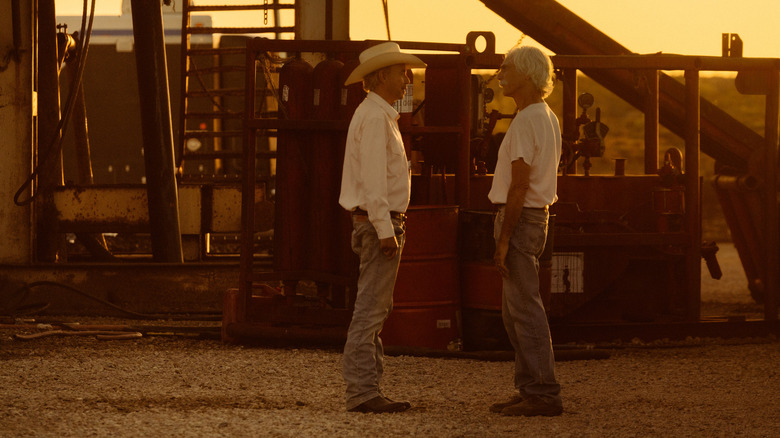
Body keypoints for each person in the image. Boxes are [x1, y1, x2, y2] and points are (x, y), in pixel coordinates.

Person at [339, 42, 425, 414]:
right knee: (371, 311)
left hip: (376, 220)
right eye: (400, 72)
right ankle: (362, 391)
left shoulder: (375, 114)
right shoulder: (376, 118)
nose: (407, 79)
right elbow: (374, 181)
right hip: (380, 223)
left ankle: (367, 387)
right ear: (381, 77)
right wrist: (385, 230)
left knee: (374, 307)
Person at [487, 45, 563, 417]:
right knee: (515, 311)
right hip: (534, 218)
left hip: (520, 219)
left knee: (524, 311)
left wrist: (503, 240)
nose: (500, 72)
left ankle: (543, 393)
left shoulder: (526, 121)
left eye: (508, 67)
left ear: (529, 75)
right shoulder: (545, 117)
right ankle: (530, 387)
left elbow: (519, 186)